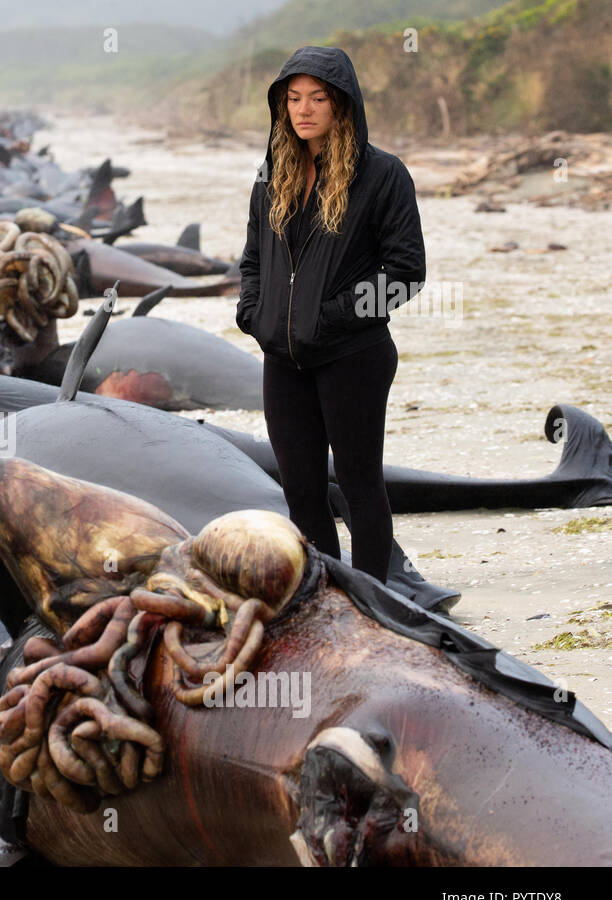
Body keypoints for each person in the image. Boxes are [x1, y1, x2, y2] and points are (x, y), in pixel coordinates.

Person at [235, 46, 425, 583]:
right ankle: (328, 605)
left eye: (317, 97)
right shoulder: (273, 173)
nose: (304, 109)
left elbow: (406, 272)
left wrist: (332, 316)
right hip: (283, 359)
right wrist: (255, 313)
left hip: (353, 357)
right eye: (293, 99)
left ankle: (375, 609)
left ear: (342, 104)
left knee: (362, 487)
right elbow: (253, 258)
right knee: (301, 493)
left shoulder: (383, 175)